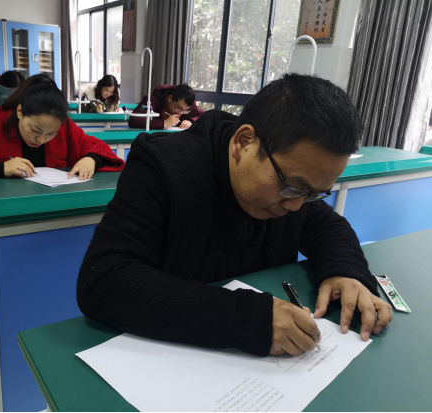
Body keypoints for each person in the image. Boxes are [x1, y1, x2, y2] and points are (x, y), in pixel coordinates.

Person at [78, 74, 393, 358]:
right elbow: (104, 281)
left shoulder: (292, 181)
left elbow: (328, 226)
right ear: (243, 142)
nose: (297, 206)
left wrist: (346, 272)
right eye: (293, 188)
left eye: (313, 194)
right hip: (162, 358)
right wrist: (249, 320)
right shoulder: (162, 166)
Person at [0, 75, 125, 183]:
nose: (41, 139)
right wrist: (0, 168)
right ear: (20, 112)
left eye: (51, 133)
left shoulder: (65, 128)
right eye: (36, 130)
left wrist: (91, 159)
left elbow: (101, 150)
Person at [128, 84, 205, 130]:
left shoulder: (189, 103)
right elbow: (134, 120)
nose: (181, 113)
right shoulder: (151, 99)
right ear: (170, 98)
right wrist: (164, 123)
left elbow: (205, 115)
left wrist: (191, 121)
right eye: (178, 108)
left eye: (186, 110)